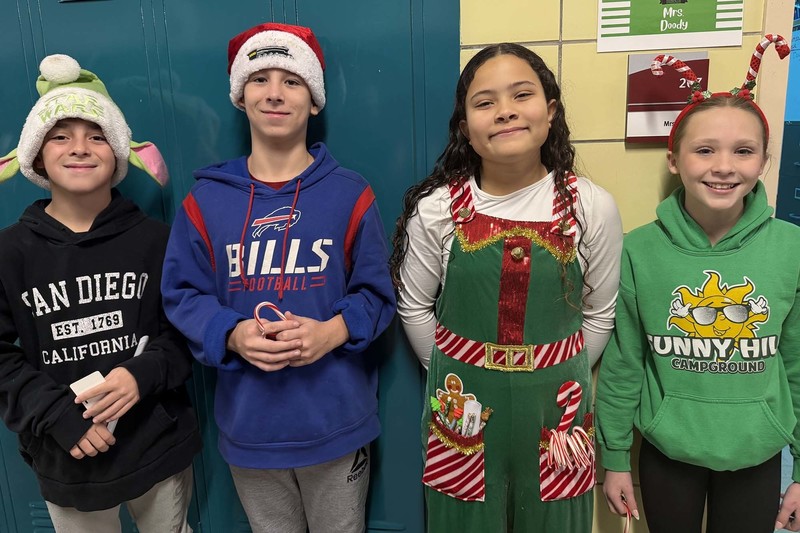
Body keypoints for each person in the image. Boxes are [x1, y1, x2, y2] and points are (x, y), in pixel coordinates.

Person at [160, 22, 396, 533]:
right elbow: (182, 294)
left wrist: (332, 331)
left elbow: (377, 293)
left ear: (314, 101)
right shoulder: (205, 202)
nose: (274, 93)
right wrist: (232, 333)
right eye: (259, 79)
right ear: (240, 97)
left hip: (336, 424)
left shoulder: (350, 194)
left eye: (291, 80)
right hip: (251, 430)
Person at [390, 42, 623, 532]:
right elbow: (413, 307)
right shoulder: (436, 211)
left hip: (557, 408)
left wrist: (562, 371)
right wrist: (456, 372)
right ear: (464, 127)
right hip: (462, 404)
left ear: (550, 111)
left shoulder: (591, 206)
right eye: (485, 102)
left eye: (522, 95)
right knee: (463, 522)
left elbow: (601, 312)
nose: (505, 111)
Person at [595, 35, 800, 533]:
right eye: (705, 150)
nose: (724, 166)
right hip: (667, 452)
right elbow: (624, 363)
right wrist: (614, 456)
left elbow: (797, 362)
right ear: (674, 159)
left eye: (743, 151)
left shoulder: (791, 248)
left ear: (764, 162)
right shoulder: (640, 249)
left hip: (757, 452)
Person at [0, 54, 201, 532]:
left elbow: (186, 332)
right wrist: (56, 415)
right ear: (35, 154)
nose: (79, 148)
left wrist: (140, 375)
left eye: (96, 136)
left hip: (155, 445)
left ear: (118, 151)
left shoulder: (157, 241)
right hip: (66, 454)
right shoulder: (10, 252)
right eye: (60, 136)